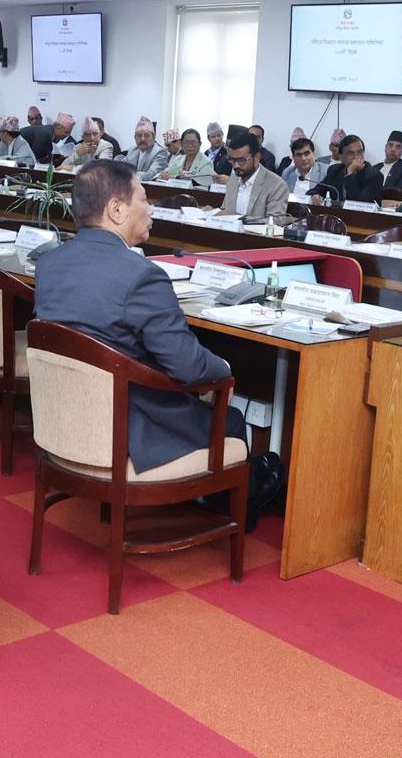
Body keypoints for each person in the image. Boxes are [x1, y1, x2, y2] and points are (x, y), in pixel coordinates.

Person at [32, 159, 284, 526]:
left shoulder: (49, 264)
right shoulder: (141, 275)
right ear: (117, 210)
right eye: (144, 199)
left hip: (66, 420)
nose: (151, 210)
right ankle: (234, 510)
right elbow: (188, 367)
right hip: (129, 427)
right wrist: (224, 369)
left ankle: (232, 485)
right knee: (229, 417)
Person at [219, 128, 288, 219]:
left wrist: (237, 218)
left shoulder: (276, 185)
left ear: (257, 157)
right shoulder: (232, 179)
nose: (236, 165)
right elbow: (225, 211)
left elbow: (276, 221)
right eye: (232, 160)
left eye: (242, 160)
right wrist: (214, 212)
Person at [314, 134, 384, 204]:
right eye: (350, 153)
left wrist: (350, 174)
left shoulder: (374, 176)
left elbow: (358, 205)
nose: (356, 157)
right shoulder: (334, 171)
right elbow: (315, 191)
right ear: (340, 157)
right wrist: (315, 196)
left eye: (359, 152)